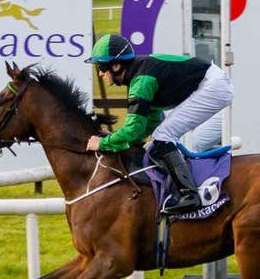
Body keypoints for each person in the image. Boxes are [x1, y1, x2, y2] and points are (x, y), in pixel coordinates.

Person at [84, 34, 233, 215]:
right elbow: (151, 122)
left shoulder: (141, 80)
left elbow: (134, 128)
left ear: (116, 66)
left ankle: (190, 195)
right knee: (159, 137)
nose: (99, 73)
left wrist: (104, 143)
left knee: (163, 136)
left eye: (101, 66)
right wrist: (127, 143)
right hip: (212, 83)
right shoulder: (140, 75)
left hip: (213, 87)